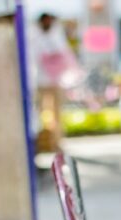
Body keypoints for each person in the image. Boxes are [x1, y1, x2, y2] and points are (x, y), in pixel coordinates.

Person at [30, 12, 75, 152]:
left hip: (56, 81)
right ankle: (44, 139)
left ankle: (56, 140)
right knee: (42, 111)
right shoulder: (34, 35)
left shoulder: (56, 34)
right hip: (41, 80)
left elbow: (63, 53)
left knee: (56, 112)